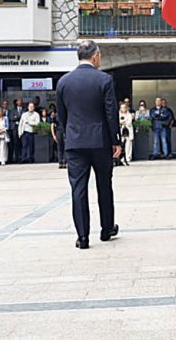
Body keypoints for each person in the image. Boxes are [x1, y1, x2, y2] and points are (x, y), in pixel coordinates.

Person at [55, 40, 120, 249]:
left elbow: (62, 116)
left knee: (78, 189)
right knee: (104, 185)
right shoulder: (104, 79)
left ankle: (82, 237)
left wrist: (68, 135)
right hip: (100, 141)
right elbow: (111, 113)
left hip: (75, 143)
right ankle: (106, 228)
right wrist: (115, 140)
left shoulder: (64, 82)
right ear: (95, 55)